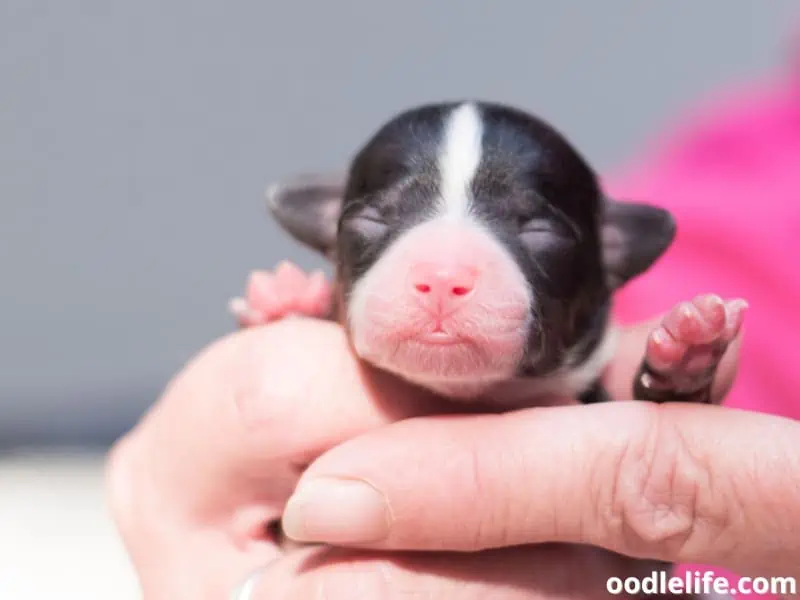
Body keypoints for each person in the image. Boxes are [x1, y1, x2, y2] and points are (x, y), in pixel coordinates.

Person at [106, 48, 800, 599]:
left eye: (535, 233)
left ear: (613, 252)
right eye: (380, 220)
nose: (443, 273)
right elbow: (745, 274)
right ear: (325, 231)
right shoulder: (744, 169)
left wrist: (679, 432)